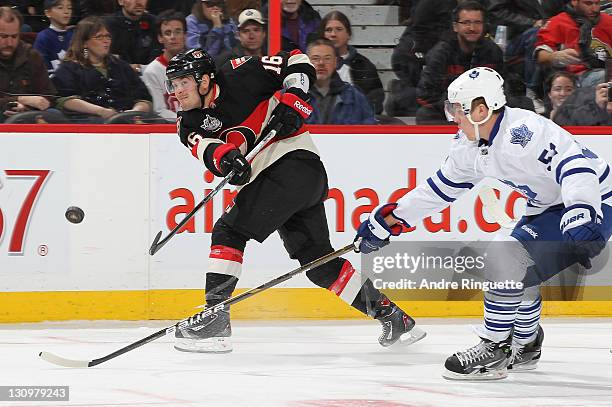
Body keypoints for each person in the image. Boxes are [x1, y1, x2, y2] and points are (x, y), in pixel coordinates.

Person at [355, 66, 612, 380]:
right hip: (547, 206)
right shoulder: (469, 145)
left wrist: (581, 212)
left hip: (594, 199)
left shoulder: (525, 133)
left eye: (457, 110)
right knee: (518, 270)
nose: (453, 117)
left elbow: (576, 167)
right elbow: (439, 190)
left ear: (480, 109)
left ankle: (495, 348)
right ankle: (527, 343)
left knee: (504, 255)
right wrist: (389, 220)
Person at [164, 47, 425, 353]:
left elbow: (295, 58)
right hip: (292, 180)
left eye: (183, 82)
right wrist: (227, 161)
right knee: (320, 266)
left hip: (294, 163)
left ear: (205, 80)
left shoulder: (240, 71)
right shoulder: (188, 122)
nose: (177, 91)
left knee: (229, 231)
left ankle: (214, 318)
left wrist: (292, 95)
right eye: (173, 83)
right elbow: (207, 149)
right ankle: (394, 319)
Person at [416, 1, 504, 124]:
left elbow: (503, 87)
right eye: (466, 23)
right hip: (450, 112)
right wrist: (457, 106)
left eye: (477, 22)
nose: (472, 28)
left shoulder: (493, 51)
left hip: (484, 113)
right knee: (425, 115)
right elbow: (425, 94)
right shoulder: (440, 53)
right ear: (455, 26)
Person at [52, 16, 152, 123]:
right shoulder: (69, 68)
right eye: (99, 37)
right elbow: (65, 100)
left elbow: (144, 98)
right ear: (84, 42)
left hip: (127, 121)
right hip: (89, 123)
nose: (106, 41)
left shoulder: (121, 66)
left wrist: (134, 112)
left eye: (108, 36)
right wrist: (101, 111)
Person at [318, 11, 384, 115]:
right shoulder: (314, 64)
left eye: (339, 29)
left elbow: (375, 102)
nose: (333, 34)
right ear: (322, 35)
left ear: (348, 34)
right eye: (328, 30)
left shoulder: (364, 65)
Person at [535, 0, 612, 88]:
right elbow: (540, 54)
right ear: (574, 1)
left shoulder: (608, 21)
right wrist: (554, 57)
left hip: (606, 71)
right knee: (604, 76)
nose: (595, 9)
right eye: (588, 3)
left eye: (597, 3)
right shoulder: (557, 22)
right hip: (575, 79)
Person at [0, 6, 57, 123]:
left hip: (28, 115)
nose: (9, 42)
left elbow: (49, 96)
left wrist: (27, 108)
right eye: (3, 36)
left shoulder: (31, 56)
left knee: (55, 114)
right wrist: (19, 99)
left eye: (14, 36)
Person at [305, 38, 376, 125]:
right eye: (315, 58)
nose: (321, 63)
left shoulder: (355, 97)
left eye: (327, 58)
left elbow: (369, 131)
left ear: (335, 62)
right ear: (306, 62)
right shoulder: (296, 96)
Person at [142, 10, 185, 122]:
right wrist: (188, 121)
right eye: (167, 33)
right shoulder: (152, 71)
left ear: (185, 35)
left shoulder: (197, 66)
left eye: (177, 32)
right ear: (160, 38)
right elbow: (159, 111)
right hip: (169, 130)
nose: (173, 37)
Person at [104, 0, 160, 73]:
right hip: (119, 75)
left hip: (151, 74)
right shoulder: (108, 26)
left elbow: (159, 53)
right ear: (121, 1)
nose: (139, 2)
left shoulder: (155, 23)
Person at [33, 0, 74, 74]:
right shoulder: (43, 37)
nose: (66, 11)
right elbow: (42, 70)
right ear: (48, 13)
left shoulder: (74, 36)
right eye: (60, 8)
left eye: (69, 8)